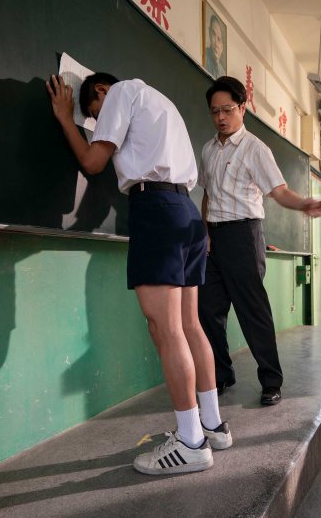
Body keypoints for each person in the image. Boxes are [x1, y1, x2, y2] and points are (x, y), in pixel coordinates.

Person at [46, 73, 231, 475]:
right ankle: (213, 425)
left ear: (100, 92)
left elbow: (93, 161)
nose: (97, 123)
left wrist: (65, 118)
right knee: (189, 324)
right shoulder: (162, 102)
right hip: (187, 214)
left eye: (94, 116)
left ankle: (191, 442)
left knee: (165, 328)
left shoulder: (121, 93)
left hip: (156, 212)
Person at [198, 76, 321, 406]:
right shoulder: (208, 149)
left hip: (244, 234)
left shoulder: (256, 149)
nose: (221, 117)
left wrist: (303, 203)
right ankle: (221, 373)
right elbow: (208, 195)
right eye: (214, 111)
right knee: (208, 310)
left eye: (227, 109)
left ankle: (271, 380)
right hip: (213, 239)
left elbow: (279, 191)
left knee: (253, 312)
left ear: (242, 108)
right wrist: (205, 232)